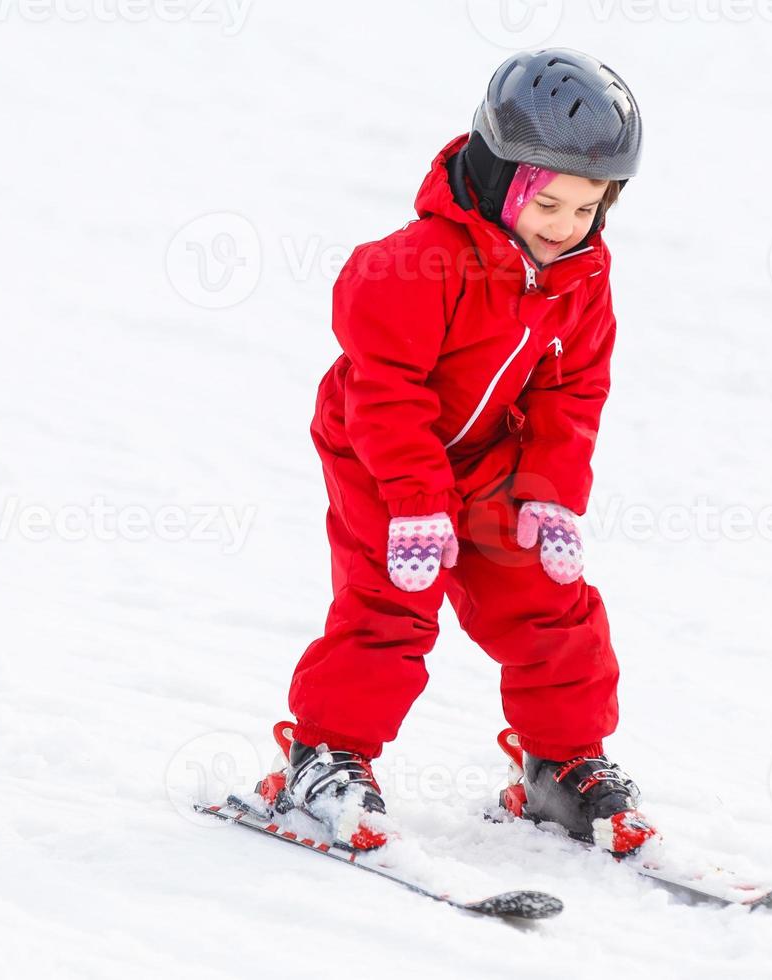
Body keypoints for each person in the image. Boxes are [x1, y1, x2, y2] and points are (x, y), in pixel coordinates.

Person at [255, 47, 654, 857]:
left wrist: (550, 493)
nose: (566, 228)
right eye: (550, 205)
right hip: (382, 452)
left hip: (490, 459)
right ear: (502, 174)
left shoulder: (580, 277)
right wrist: (414, 501)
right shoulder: (411, 264)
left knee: (546, 597)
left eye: (587, 209)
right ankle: (322, 756)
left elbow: (572, 391)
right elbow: (385, 390)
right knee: (390, 603)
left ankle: (562, 765)